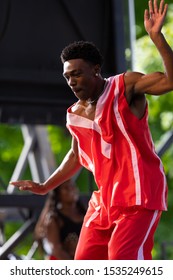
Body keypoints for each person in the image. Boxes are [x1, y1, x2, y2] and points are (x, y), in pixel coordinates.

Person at [10, 0, 173, 259]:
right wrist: (44, 185)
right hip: (104, 202)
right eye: (67, 77)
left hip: (138, 198)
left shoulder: (125, 86)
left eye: (77, 74)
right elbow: (75, 156)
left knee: (123, 267)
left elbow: (169, 81)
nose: (72, 82)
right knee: (84, 266)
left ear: (96, 70)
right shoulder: (74, 115)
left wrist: (157, 37)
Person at [34, 179, 86, 260]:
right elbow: (56, 249)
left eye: (73, 186)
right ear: (58, 194)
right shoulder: (54, 219)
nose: (71, 189)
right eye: (66, 187)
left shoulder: (85, 214)